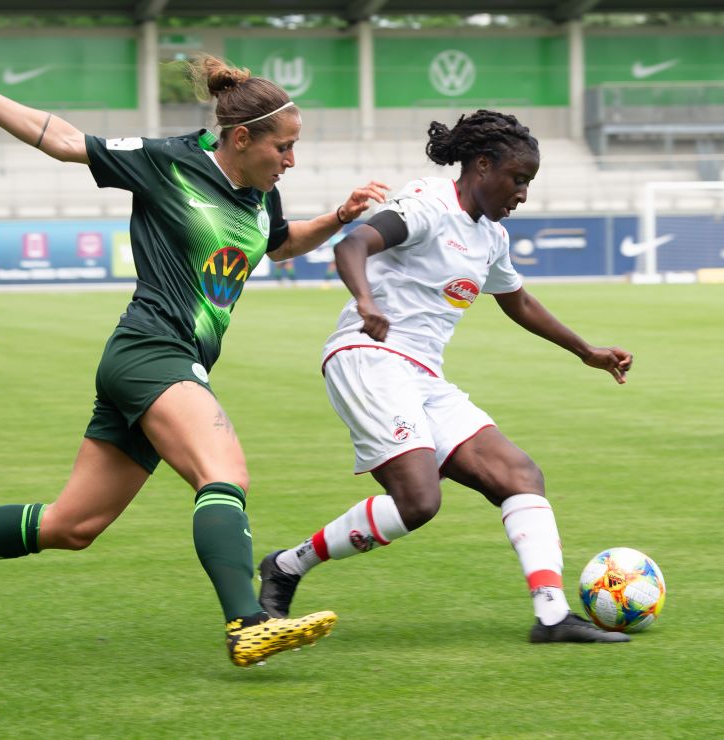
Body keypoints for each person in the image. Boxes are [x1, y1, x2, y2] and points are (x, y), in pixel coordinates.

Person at [0, 52, 387, 668]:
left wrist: (338, 216)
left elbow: (278, 247)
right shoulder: (168, 161)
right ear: (242, 137)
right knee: (224, 472)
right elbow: (63, 141)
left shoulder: (257, 192)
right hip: (152, 350)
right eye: (285, 146)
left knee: (72, 525)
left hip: (160, 361)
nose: (292, 160)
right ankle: (248, 621)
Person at [257, 110, 634, 644]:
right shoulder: (428, 205)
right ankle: (287, 566)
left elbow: (518, 301)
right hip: (369, 355)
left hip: (423, 376)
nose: (522, 194)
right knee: (418, 501)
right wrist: (366, 301)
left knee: (519, 474)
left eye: (528, 183)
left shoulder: (491, 237)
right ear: (483, 165)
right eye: (518, 180)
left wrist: (586, 352)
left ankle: (552, 616)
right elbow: (352, 245)